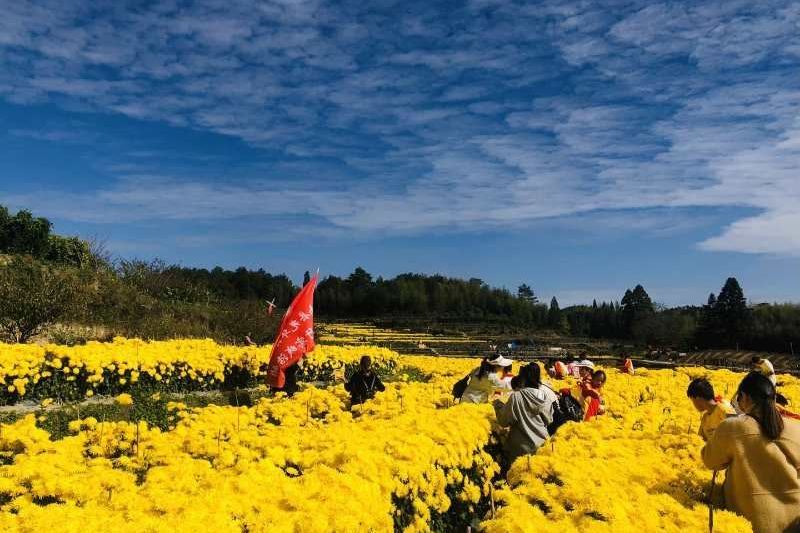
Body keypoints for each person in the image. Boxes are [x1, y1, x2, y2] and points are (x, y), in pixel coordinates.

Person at [702, 372, 800, 533]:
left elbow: (710, 461)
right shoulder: (796, 427)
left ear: (745, 397)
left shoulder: (732, 427)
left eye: (738, 398)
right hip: (795, 523)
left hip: (753, 524)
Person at [493, 363, 558, 464]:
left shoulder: (517, 396)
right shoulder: (544, 396)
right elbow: (549, 420)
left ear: (523, 379)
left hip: (521, 449)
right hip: (542, 445)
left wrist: (497, 404)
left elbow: (503, 421)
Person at [686, 377, 736, 442]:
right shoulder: (705, 418)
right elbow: (699, 440)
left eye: (693, 401)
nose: (693, 405)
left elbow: (737, 434)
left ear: (698, 399)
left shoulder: (725, 409)